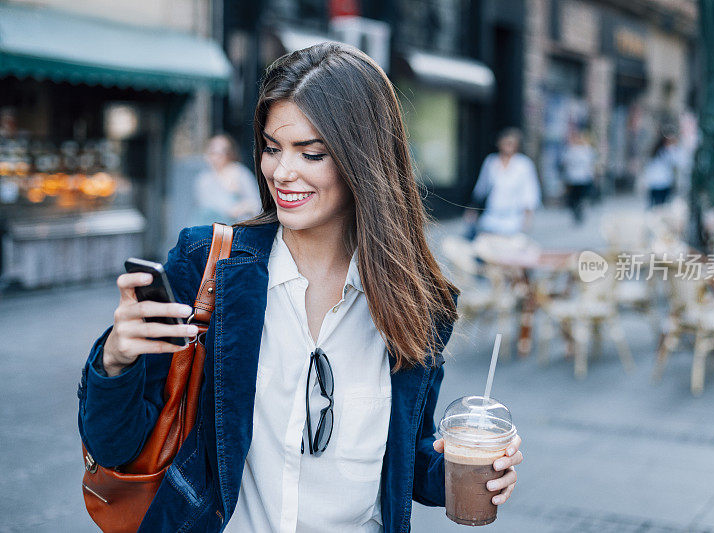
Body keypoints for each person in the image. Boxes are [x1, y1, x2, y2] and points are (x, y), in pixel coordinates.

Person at [77, 43, 523, 532]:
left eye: (310, 153)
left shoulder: (418, 301)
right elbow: (116, 445)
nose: (281, 173)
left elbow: (404, 460)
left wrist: (471, 469)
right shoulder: (210, 268)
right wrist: (115, 361)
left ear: (364, 160)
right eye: (272, 148)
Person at [465, 127, 541, 237]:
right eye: (505, 143)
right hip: (491, 216)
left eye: (511, 143)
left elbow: (530, 191)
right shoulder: (491, 162)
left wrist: (528, 218)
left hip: (514, 219)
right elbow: (481, 188)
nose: (508, 146)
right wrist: (472, 209)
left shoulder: (524, 164)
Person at [195, 133, 262, 225]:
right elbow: (204, 206)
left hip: (238, 227)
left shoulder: (240, 173)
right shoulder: (204, 178)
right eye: (212, 152)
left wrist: (243, 207)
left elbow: (256, 203)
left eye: (221, 152)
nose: (216, 157)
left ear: (229, 153)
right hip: (211, 228)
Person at [561, 129, 596, 224]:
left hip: (582, 177)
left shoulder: (586, 149)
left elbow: (591, 163)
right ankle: (577, 210)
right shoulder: (570, 149)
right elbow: (565, 163)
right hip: (574, 178)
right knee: (574, 197)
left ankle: (579, 210)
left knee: (579, 197)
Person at [644, 132, 681, 207]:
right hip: (661, 183)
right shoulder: (666, 152)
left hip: (657, 183)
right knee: (660, 206)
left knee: (657, 205)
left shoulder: (657, 152)